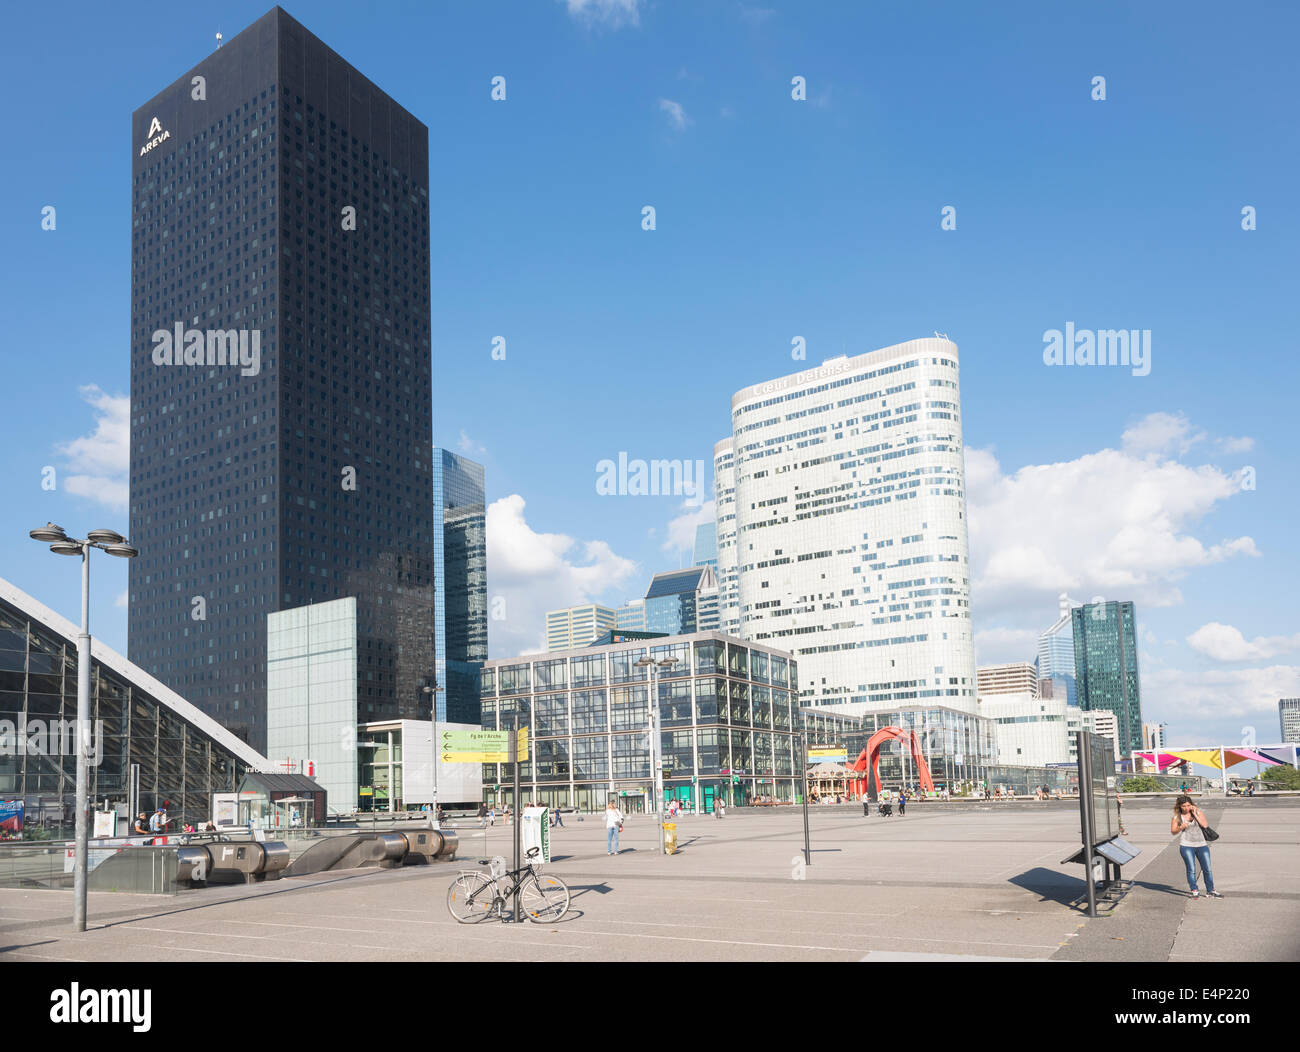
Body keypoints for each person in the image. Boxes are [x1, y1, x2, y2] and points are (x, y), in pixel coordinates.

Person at [1171, 795, 1221, 898]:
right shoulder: (1177, 817)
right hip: (1186, 846)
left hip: (1202, 845)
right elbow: (1173, 831)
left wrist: (1195, 813)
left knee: (1207, 868)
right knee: (1191, 869)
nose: (1186, 808)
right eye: (1184, 806)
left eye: (1189, 805)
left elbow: (1205, 825)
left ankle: (1210, 891)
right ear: (1179, 806)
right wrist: (1181, 827)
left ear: (1192, 805)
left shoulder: (1198, 813)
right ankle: (1194, 890)